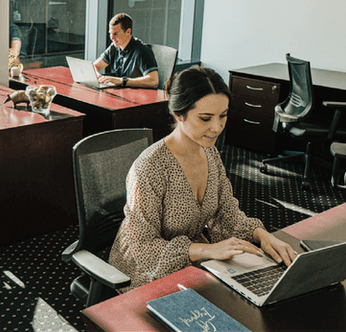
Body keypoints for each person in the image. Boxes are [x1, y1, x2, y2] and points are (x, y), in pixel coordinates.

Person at [108, 66, 296, 291]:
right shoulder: (150, 167)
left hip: (194, 259)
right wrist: (206, 250)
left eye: (223, 116)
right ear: (179, 115)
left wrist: (262, 235)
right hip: (143, 273)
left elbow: (226, 212)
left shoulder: (210, 152)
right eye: (205, 118)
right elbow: (144, 248)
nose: (216, 128)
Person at [93, 13, 158, 88]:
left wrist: (122, 81)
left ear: (128, 32)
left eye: (115, 34)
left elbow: (154, 81)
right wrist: (98, 77)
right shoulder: (114, 47)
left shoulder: (143, 51)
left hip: (138, 96)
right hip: (122, 93)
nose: (112, 38)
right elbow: (95, 66)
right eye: (110, 33)